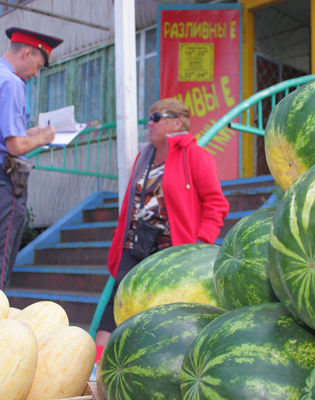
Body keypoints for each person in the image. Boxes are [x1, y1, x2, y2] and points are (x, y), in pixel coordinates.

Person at [94, 98, 230, 359]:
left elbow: (216, 204)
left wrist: (199, 245)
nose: (149, 123)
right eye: (149, 117)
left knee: (159, 315)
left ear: (177, 122)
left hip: (170, 250)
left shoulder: (196, 156)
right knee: (115, 307)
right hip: (135, 245)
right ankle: (97, 368)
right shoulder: (143, 157)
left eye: (157, 117)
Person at [0, 27, 63, 290]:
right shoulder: (12, 82)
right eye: (37, 65)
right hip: (1, 180)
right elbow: (15, 145)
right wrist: (43, 138)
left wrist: (28, 133)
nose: (35, 74)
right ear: (27, 53)